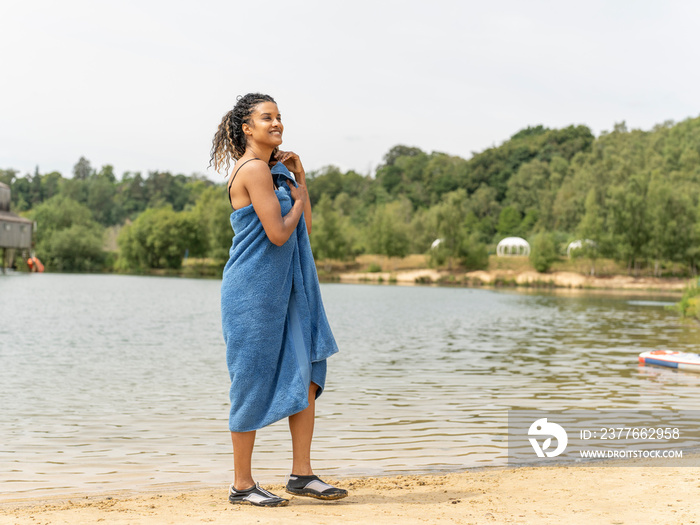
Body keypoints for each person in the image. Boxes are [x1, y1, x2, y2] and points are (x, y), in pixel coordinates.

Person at [210, 93, 347, 507]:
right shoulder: (253, 170)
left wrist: (300, 178)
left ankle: (301, 474)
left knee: (304, 373)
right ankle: (241, 484)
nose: (276, 123)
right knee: (250, 380)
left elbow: (303, 227)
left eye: (279, 117)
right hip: (252, 293)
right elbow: (278, 233)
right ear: (246, 128)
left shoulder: (277, 174)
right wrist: (299, 194)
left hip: (289, 291)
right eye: (266, 117)